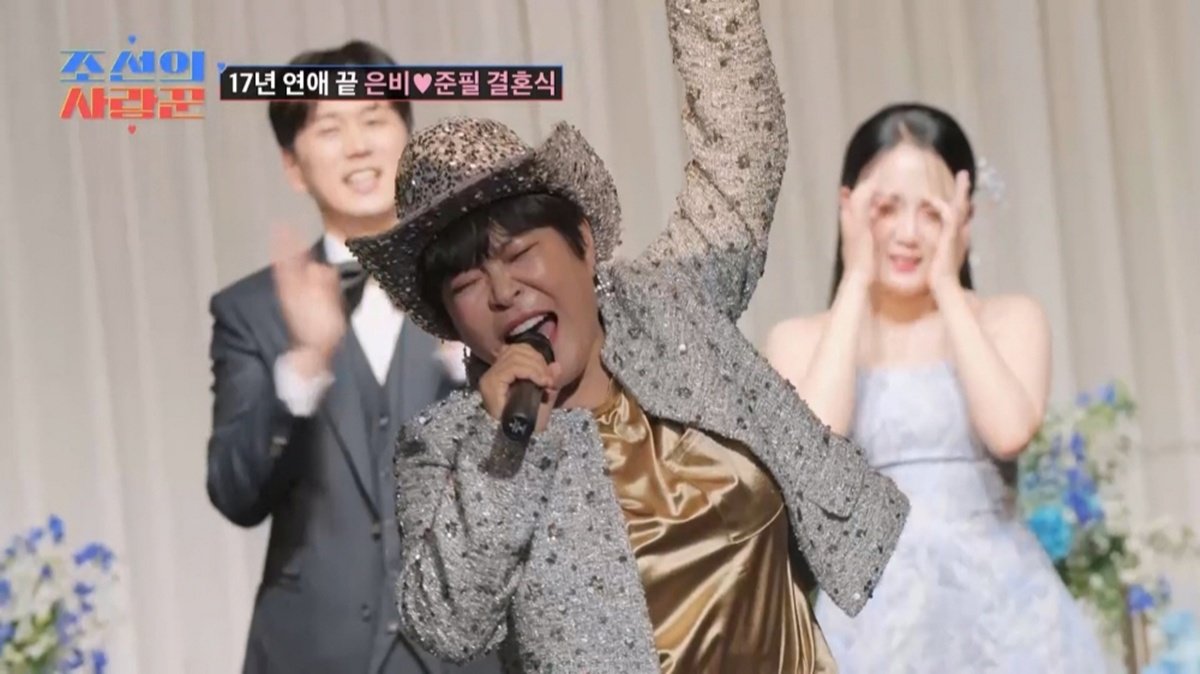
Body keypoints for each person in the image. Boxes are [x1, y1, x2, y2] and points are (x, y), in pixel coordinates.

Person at [345, 1, 911, 672]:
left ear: (583, 244)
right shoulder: (449, 448)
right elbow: (445, 627)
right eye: (467, 281)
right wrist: (507, 450)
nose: (502, 291)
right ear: (449, 318)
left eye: (520, 253)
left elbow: (741, 157)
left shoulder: (667, 309)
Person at [764, 102, 1108, 671]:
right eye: (886, 208)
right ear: (849, 207)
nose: (907, 233)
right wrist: (856, 277)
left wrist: (947, 284)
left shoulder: (1009, 320)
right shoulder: (800, 339)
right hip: (873, 629)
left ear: (963, 217)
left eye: (932, 212)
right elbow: (814, 446)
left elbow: (1009, 431)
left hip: (1011, 623)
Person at [205, 39, 500, 674]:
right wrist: (304, 365)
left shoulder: (488, 283)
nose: (359, 145)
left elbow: (549, 459)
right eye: (330, 128)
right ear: (294, 165)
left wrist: (472, 362)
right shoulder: (251, 311)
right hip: (313, 652)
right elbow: (234, 492)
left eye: (374, 119)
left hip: (471, 650)